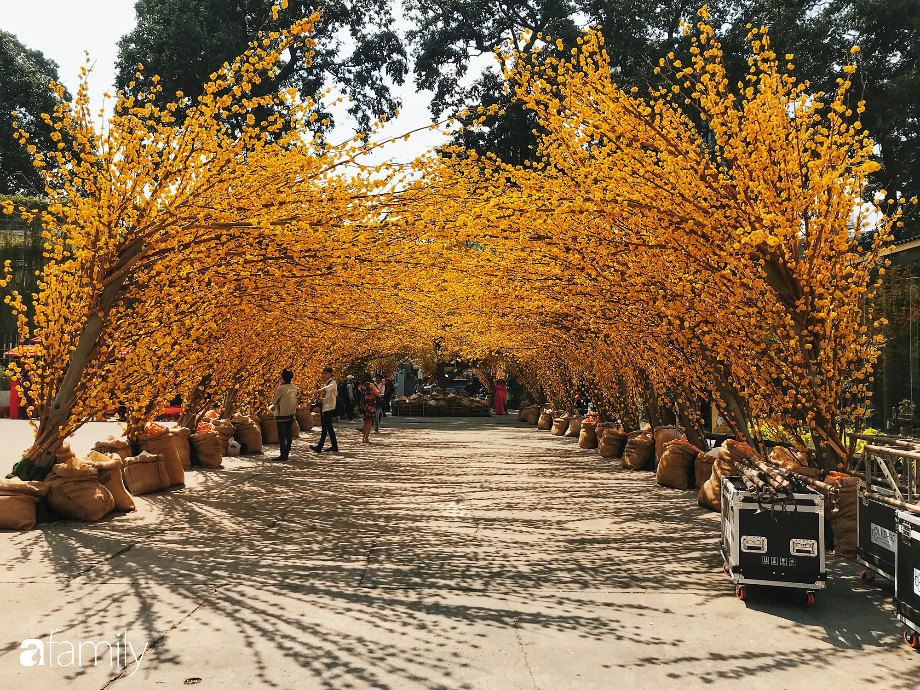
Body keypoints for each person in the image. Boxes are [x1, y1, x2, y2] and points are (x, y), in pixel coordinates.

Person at [269, 369, 299, 461]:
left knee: (282, 435)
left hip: (281, 414)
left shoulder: (281, 388)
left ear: (282, 378)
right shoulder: (294, 387)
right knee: (289, 433)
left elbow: (274, 401)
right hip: (291, 413)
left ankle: (283, 454)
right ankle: (287, 452)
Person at [310, 367, 339, 453]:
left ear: (330, 374)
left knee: (325, 428)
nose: (324, 375)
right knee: (329, 428)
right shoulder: (326, 383)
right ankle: (334, 445)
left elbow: (325, 389)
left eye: (326, 373)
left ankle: (320, 446)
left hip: (330, 407)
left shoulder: (333, 383)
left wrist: (313, 392)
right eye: (323, 373)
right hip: (326, 406)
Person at [357, 372, 381, 442]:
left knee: (365, 421)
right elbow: (377, 393)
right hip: (371, 404)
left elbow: (361, 391)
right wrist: (381, 386)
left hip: (364, 404)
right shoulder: (371, 385)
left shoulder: (362, 386)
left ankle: (363, 437)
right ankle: (367, 437)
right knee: (370, 421)